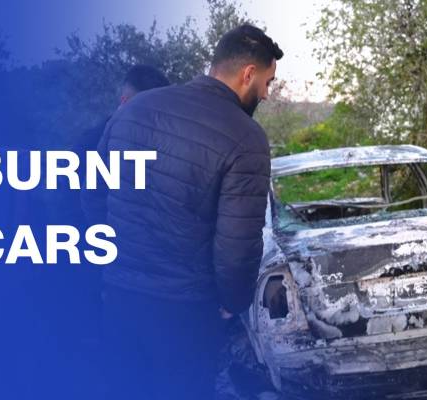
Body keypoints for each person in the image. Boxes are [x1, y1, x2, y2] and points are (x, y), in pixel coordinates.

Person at [83, 24, 283, 399]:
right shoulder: (246, 137)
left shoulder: (135, 109)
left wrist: (115, 263)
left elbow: (93, 196)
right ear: (248, 74)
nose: (267, 95)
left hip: (119, 299)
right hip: (185, 312)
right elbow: (237, 244)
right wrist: (232, 302)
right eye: (268, 83)